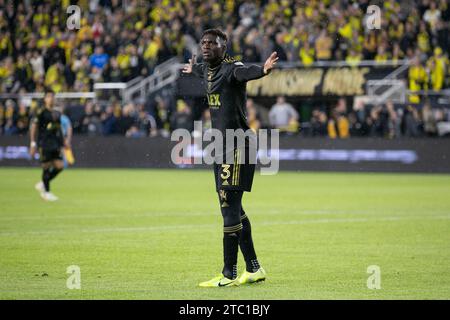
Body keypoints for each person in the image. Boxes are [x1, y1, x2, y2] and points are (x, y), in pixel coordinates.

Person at [182, 29, 278, 287]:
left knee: (228, 210)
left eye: (211, 43)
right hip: (221, 147)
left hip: (237, 146)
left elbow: (243, 72)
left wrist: (263, 70)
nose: (205, 47)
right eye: (203, 43)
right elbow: (203, 70)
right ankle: (254, 269)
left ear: (223, 46)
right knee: (233, 208)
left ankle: (229, 273)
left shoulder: (231, 68)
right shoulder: (207, 68)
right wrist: (193, 71)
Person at [29, 90, 64, 201]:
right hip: (44, 143)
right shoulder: (41, 112)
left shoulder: (57, 113)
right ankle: (46, 192)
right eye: (48, 97)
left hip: (55, 144)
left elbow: (59, 130)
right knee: (46, 166)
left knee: (59, 166)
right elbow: (34, 126)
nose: (51, 99)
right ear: (45, 99)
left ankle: (43, 183)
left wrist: (62, 144)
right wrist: (33, 143)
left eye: (52, 97)